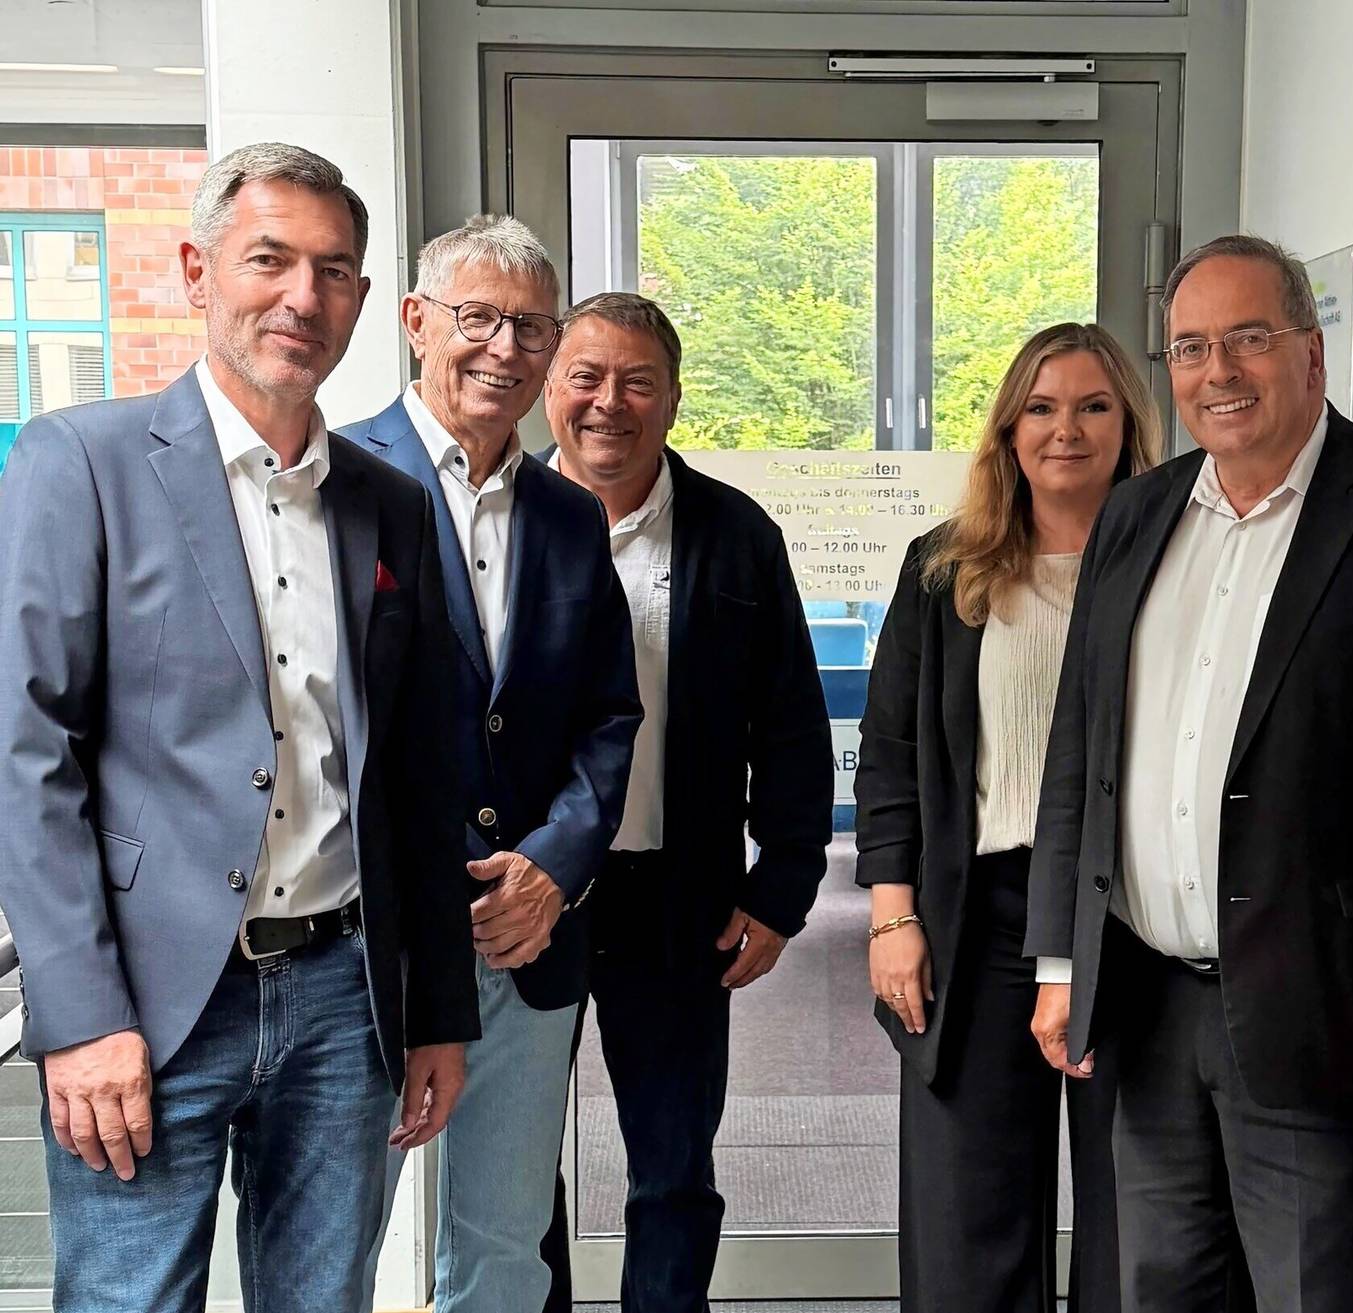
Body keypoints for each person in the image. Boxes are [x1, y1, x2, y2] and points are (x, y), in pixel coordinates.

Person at [0, 141, 477, 1313]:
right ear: (196, 270)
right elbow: (26, 748)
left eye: (333, 270)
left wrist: (437, 1011)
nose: (301, 297)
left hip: (342, 994)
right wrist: (80, 1015)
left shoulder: (391, 504)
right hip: (151, 1003)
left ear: (365, 301)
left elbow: (414, 774)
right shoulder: (83, 462)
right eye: (269, 259)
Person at [1024, 235, 1353, 1312]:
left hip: (1328, 1013)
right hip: (1149, 1005)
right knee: (1162, 1289)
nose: (1221, 371)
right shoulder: (1137, 510)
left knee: (1319, 1291)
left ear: (1311, 349)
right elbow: (1084, 746)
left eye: (1249, 338)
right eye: (1192, 347)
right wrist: (1060, 955)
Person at [343, 218, 642, 1312]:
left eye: (531, 326)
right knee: (334, 1241)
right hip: (372, 941)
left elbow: (609, 713)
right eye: (478, 318)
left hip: (528, 933)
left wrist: (554, 863)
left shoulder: (570, 514)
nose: (505, 349)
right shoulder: (333, 481)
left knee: (506, 1246)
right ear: (417, 321)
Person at [856, 323, 1163, 1312]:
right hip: (976, 913)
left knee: (1137, 1208)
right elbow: (894, 754)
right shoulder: (948, 568)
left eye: (1092, 405)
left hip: (1130, 916)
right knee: (968, 1209)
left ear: (1128, 425)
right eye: (1041, 405)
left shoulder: (1172, 563)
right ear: (1007, 428)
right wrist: (893, 915)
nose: (1064, 429)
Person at [542, 292, 833, 1312]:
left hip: (674, 899)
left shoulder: (734, 535)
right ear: (549, 385)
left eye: (637, 381)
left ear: (672, 397)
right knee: (514, 1169)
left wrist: (783, 886)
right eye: (586, 375)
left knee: (670, 1168)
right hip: (522, 900)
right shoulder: (498, 523)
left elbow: (792, 725)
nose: (607, 403)